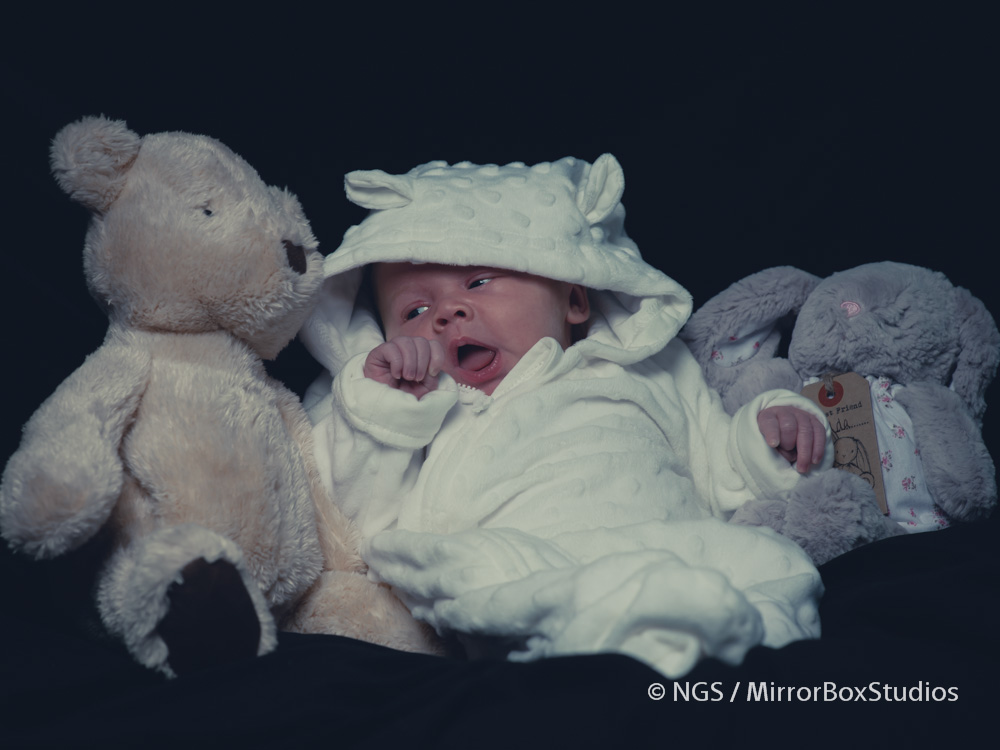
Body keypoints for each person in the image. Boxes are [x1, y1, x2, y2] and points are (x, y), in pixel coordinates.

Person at [299, 155, 834, 678]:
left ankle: (760, 668)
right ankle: (623, 660)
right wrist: (386, 406)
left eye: (479, 281)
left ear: (574, 296)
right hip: (521, 571)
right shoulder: (421, 402)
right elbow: (358, 515)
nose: (447, 313)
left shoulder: (648, 367)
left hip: (676, 548)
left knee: (773, 567)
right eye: (414, 311)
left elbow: (719, 463)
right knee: (501, 590)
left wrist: (766, 440)